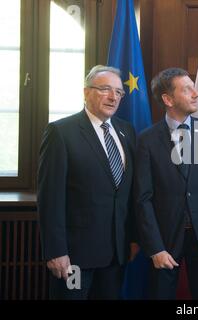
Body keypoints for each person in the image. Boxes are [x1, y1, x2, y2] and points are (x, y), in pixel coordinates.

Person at [37, 65, 136, 299]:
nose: (113, 97)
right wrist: (56, 251)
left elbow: (127, 193)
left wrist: (132, 237)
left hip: (115, 255)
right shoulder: (61, 132)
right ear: (86, 92)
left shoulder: (127, 131)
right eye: (105, 89)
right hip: (74, 259)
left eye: (119, 92)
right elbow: (50, 199)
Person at [134, 68, 198, 299]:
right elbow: (143, 199)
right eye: (187, 89)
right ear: (168, 99)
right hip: (164, 239)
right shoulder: (146, 140)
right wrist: (155, 248)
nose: (196, 93)